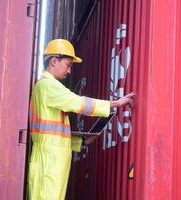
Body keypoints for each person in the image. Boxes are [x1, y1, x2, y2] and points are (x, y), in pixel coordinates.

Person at [28, 39, 135, 200]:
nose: (69, 70)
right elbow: (78, 102)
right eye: (68, 64)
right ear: (54, 61)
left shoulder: (44, 87)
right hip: (49, 161)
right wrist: (114, 104)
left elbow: (52, 134)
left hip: (49, 158)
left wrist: (82, 142)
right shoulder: (48, 86)